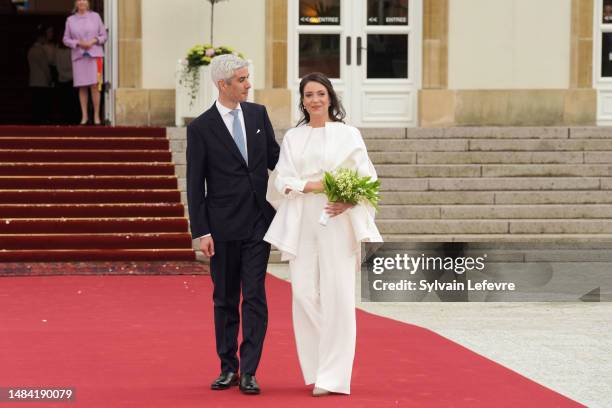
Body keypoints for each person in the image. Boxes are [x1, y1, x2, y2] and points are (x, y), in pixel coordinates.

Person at [264, 72, 382, 397]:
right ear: (302, 101)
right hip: (302, 218)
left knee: (339, 296)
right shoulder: (294, 137)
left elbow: (367, 178)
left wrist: (348, 199)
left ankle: (333, 376)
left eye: (320, 93)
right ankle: (319, 366)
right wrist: (313, 185)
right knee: (302, 294)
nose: (314, 100)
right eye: (308, 95)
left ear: (330, 97)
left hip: (337, 219)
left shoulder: (349, 134)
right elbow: (281, 180)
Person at [186, 54, 280, 395]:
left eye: (247, 77)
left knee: (255, 296)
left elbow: (276, 159)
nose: (248, 84)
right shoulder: (200, 128)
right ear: (222, 84)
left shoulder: (258, 115)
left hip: (258, 223)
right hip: (222, 227)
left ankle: (251, 370)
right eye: (241, 79)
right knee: (225, 299)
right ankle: (228, 367)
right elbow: (195, 183)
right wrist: (201, 231)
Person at [63, 0, 107, 125]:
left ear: (88, 3)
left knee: (94, 86)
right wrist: (78, 43)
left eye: (84, 0)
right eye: (79, 0)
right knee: (82, 87)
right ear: (76, 3)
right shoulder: (70, 20)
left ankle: (97, 116)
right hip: (79, 56)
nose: (82, 2)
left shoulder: (96, 17)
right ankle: (84, 116)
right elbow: (65, 39)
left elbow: (104, 36)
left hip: (95, 55)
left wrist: (94, 41)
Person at [28, 25, 52, 124]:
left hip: (33, 81)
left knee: (35, 104)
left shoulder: (30, 50)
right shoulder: (40, 51)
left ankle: (35, 121)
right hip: (42, 82)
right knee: (42, 104)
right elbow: (45, 68)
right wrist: (50, 79)